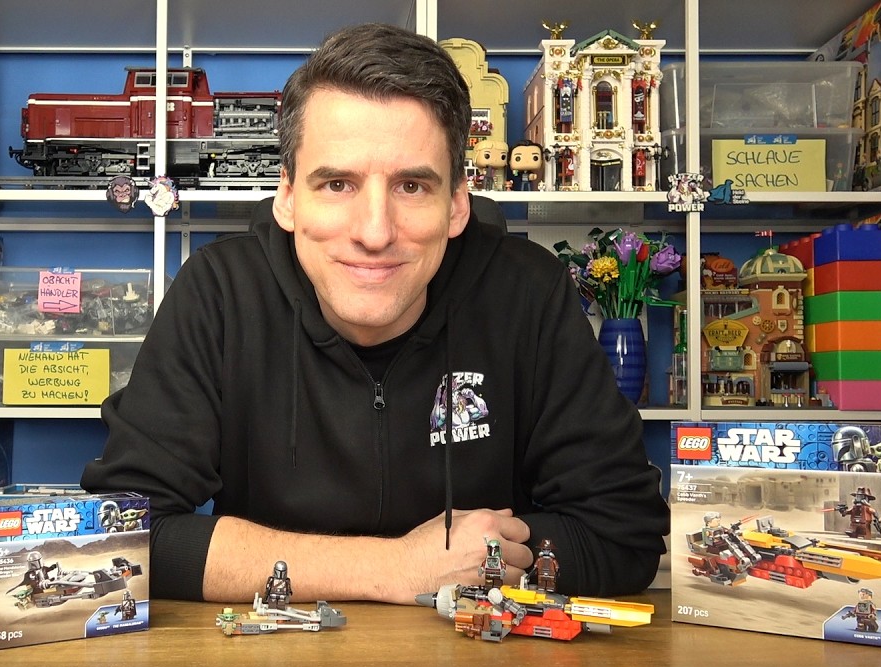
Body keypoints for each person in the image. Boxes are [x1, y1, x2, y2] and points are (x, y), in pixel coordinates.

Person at [81, 22, 668, 605]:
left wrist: (479, 559)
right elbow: (122, 536)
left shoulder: (528, 292)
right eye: (337, 184)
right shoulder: (220, 293)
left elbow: (624, 533)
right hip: (275, 656)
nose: (374, 232)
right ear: (287, 196)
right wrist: (398, 568)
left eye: (412, 186)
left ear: (457, 203)